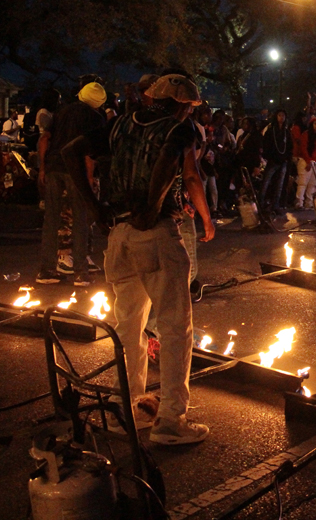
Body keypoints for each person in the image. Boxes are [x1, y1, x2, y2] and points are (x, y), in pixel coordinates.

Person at [63, 73, 212, 445]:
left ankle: (125, 412)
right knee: (175, 329)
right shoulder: (179, 129)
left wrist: (93, 206)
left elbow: (69, 152)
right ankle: (171, 422)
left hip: (119, 235)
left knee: (128, 328)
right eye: (191, 107)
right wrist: (153, 206)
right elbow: (173, 165)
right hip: (156, 233)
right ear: (184, 105)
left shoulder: (120, 124)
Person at [36, 82, 106, 286]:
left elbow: (44, 139)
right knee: (80, 219)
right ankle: (80, 273)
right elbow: (89, 152)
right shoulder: (95, 118)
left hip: (53, 167)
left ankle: (46, 271)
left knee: (51, 219)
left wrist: (42, 168)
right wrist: (89, 178)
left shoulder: (62, 111)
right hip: (75, 170)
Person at [259, 109, 292, 213]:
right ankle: (260, 204)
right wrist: (270, 157)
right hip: (273, 160)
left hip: (283, 161)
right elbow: (266, 145)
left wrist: (286, 158)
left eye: (283, 115)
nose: (281, 117)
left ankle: (276, 205)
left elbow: (289, 146)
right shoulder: (271, 131)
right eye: (279, 115)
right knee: (266, 182)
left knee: (280, 184)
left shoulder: (286, 132)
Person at [294, 116, 316, 209]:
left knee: (312, 184)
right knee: (303, 182)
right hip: (305, 161)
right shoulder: (306, 134)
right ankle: (299, 202)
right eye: (315, 124)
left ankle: (309, 202)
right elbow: (303, 148)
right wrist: (308, 160)